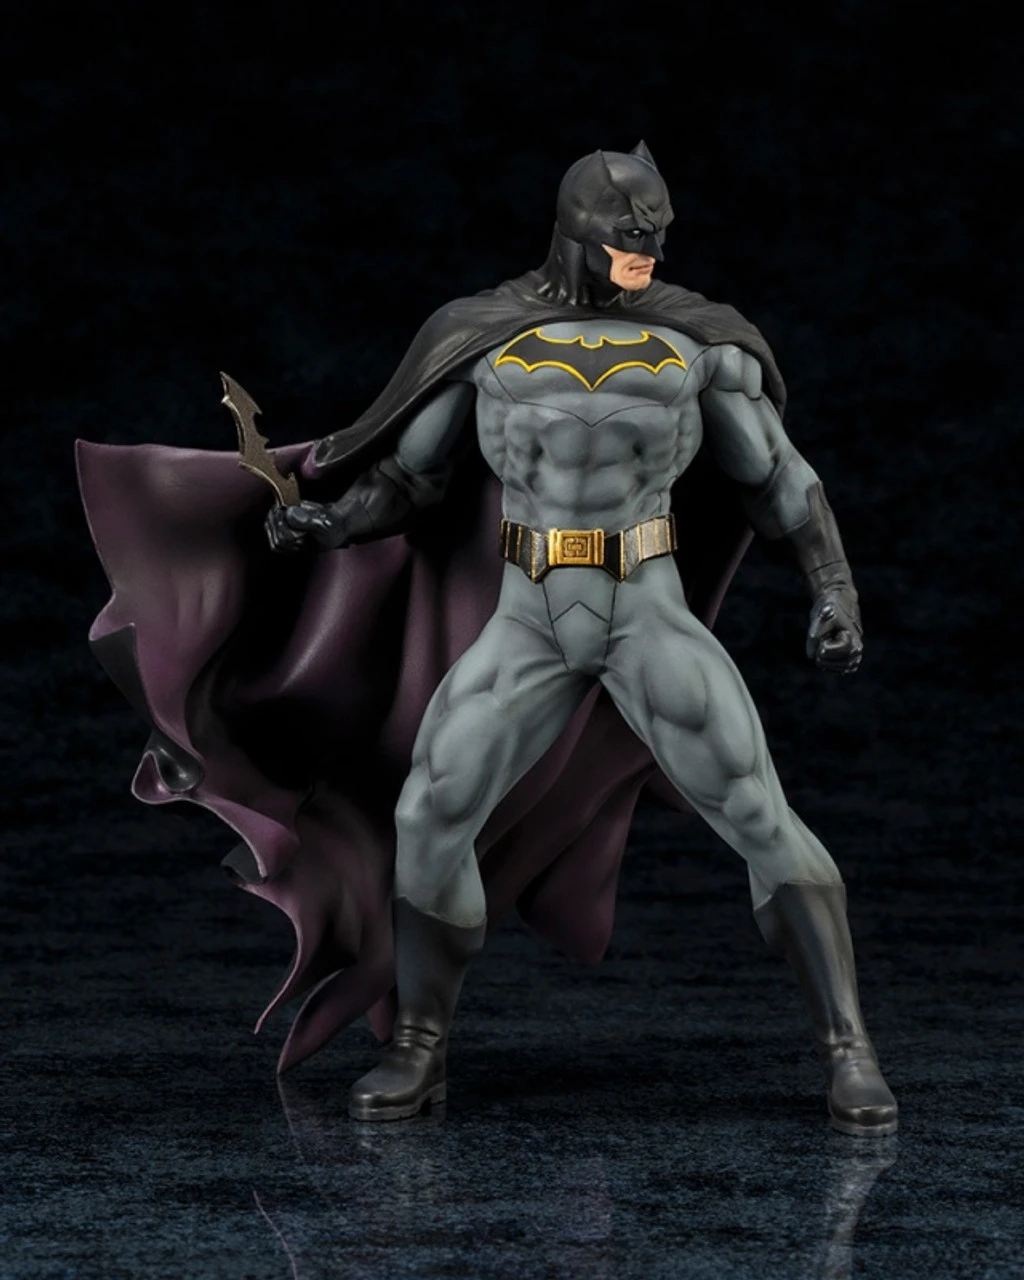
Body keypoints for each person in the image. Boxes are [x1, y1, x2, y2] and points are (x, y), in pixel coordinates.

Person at [263, 143, 898, 1135]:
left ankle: (848, 1045)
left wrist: (835, 591)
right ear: (577, 232)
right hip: (528, 613)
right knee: (430, 810)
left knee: (755, 808)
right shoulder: (484, 338)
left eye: (660, 234)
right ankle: (419, 1045)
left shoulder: (697, 345)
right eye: (631, 235)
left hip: (645, 605)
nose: (650, 252)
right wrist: (333, 522)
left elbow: (780, 479)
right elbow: (411, 480)